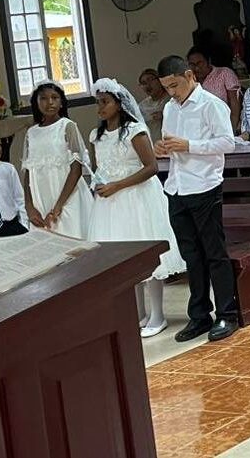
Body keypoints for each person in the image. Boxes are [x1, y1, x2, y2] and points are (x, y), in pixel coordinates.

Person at [87, 78, 186, 339]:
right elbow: (100, 167)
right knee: (124, 257)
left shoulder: (134, 130)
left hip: (137, 198)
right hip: (111, 203)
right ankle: (138, 312)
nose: (101, 107)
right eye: (98, 102)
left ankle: (157, 314)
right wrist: (97, 183)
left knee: (148, 255)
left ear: (119, 104)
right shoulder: (96, 135)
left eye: (106, 102)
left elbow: (151, 167)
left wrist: (118, 185)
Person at [156, 54, 238, 343]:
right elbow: (172, 142)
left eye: (175, 85)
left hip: (204, 185)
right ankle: (199, 315)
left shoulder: (211, 104)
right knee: (191, 256)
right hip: (177, 186)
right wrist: (164, 148)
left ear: (190, 75)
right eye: (166, 87)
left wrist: (189, 145)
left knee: (214, 253)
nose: (172, 92)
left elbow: (228, 142)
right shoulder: (169, 108)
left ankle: (228, 314)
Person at [21, 81, 92, 239]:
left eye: (55, 98)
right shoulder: (31, 133)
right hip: (41, 196)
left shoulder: (67, 126)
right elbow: (27, 172)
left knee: (71, 239)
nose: (50, 102)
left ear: (61, 103)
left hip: (66, 196)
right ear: (36, 102)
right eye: (44, 98)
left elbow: (76, 168)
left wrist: (58, 206)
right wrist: (29, 205)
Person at [186, 46, 240, 131]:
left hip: (223, 127)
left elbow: (235, 104)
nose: (196, 68)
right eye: (192, 65)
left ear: (208, 61)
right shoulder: (189, 81)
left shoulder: (224, 73)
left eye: (199, 63)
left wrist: (232, 129)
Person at [138, 68, 169, 141]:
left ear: (159, 80)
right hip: (153, 144)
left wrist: (165, 115)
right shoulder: (142, 106)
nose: (147, 85)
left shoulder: (172, 100)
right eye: (143, 83)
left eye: (150, 80)